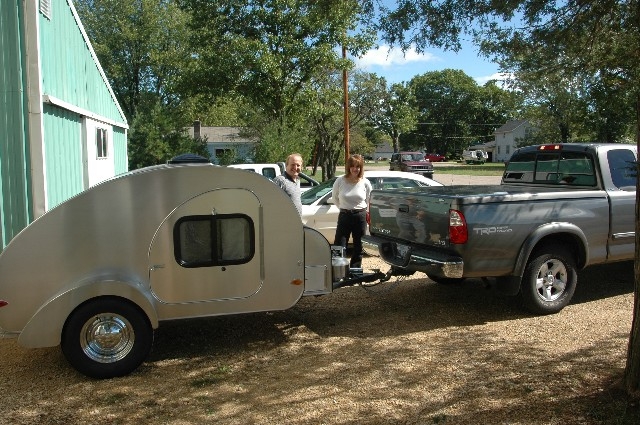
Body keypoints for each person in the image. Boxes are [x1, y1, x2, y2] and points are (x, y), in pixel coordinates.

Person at [331, 154, 372, 268]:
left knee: (359, 245)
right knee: (339, 244)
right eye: (353, 166)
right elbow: (335, 198)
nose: (355, 169)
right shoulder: (340, 181)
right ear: (348, 167)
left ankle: (355, 269)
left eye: (358, 166)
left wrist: (367, 212)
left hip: (360, 216)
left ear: (361, 168)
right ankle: (338, 270)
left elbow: (369, 200)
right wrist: (343, 208)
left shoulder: (365, 182)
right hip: (344, 215)